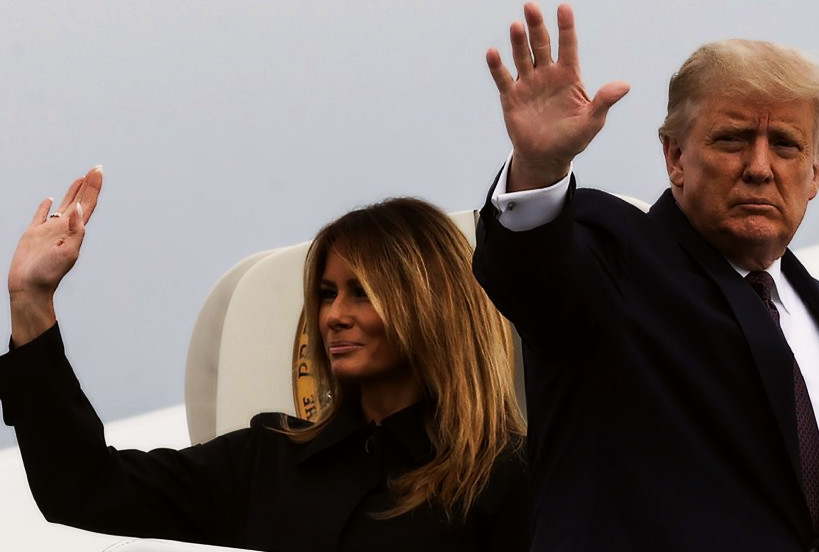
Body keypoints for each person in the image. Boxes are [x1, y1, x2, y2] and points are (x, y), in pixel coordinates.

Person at [473, 2, 819, 551]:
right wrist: (538, 170)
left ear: (816, 172)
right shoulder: (615, 260)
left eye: (786, 145)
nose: (759, 166)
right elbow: (533, 275)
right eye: (731, 139)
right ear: (675, 155)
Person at [0, 170, 529, 552]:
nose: (334, 316)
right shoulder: (268, 460)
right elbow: (83, 488)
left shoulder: (508, 477)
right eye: (325, 294)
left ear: (430, 304)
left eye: (361, 292)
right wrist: (30, 302)